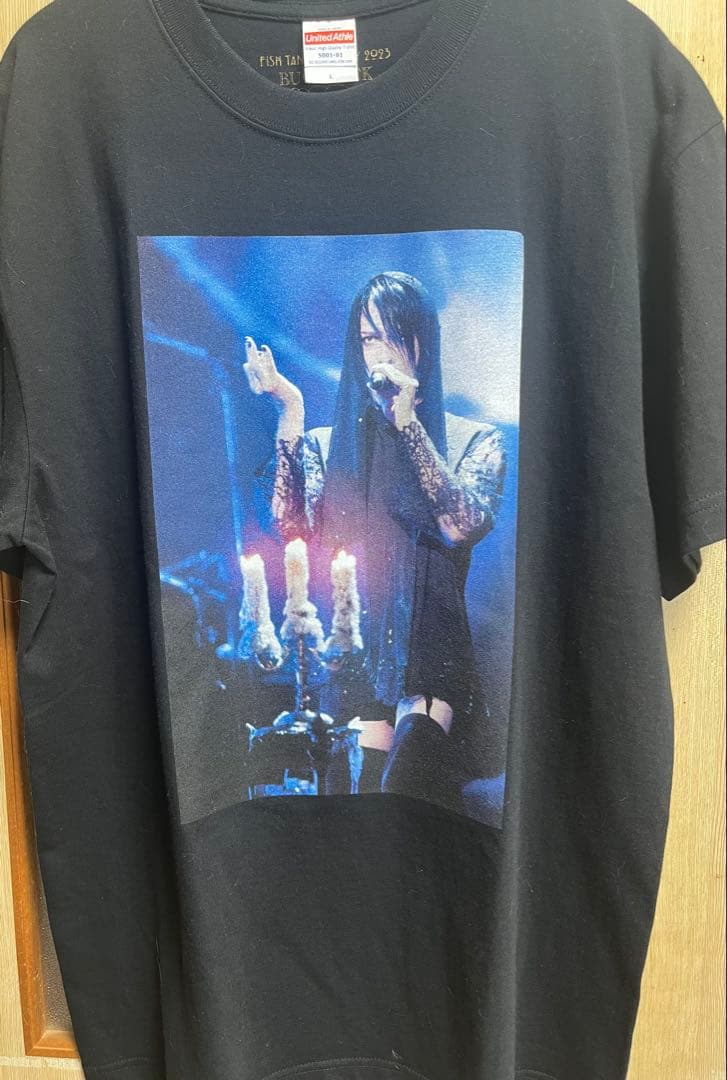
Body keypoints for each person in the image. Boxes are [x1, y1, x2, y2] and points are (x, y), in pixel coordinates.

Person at [244, 270, 506, 811]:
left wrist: (406, 421)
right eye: (368, 338)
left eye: (394, 336)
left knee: (404, 793)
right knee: (360, 811)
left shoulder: (472, 439)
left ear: (422, 341)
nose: (381, 352)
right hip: (355, 659)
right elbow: (292, 526)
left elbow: (459, 524)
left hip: (430, 662)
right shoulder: (330, 445)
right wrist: (290, 408)